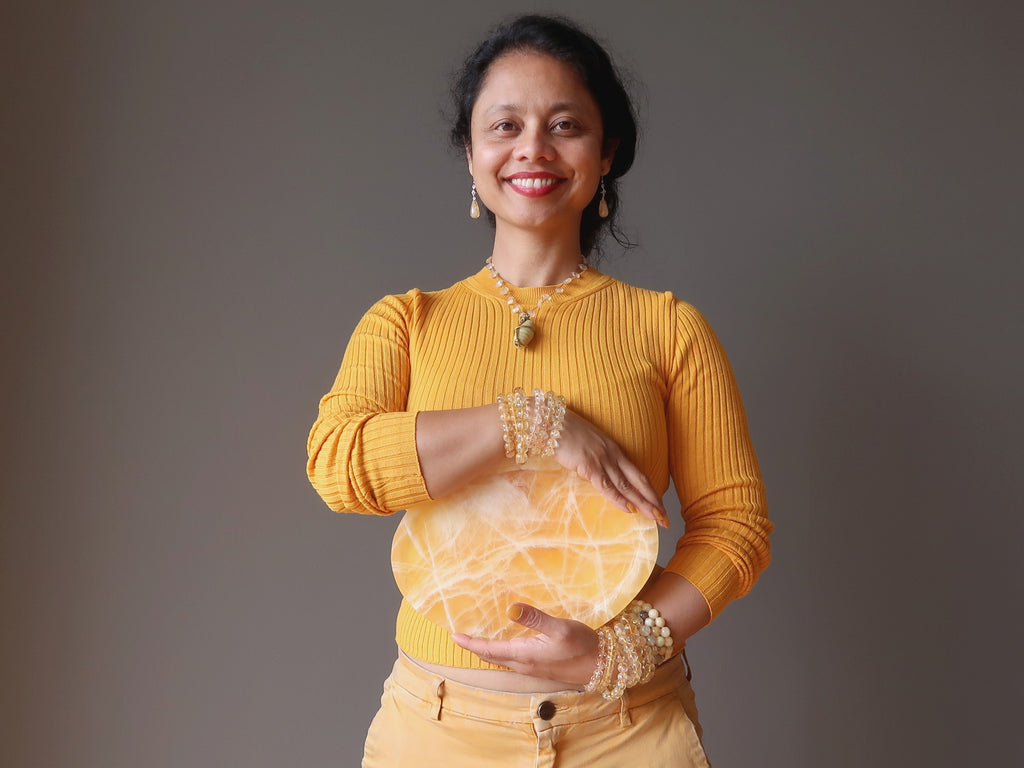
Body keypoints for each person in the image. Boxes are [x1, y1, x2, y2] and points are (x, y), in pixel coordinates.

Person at [307, 14, 771, 768]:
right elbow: (337, 466)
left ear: (606, 152)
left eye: (565, 126)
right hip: (437, 734)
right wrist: (529, 421)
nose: (533, 149)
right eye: (506, 125)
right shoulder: (408, 323)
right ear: (470, 149)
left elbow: (736, 526)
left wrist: (630, 644)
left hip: (629, 731)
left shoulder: (668, 329)